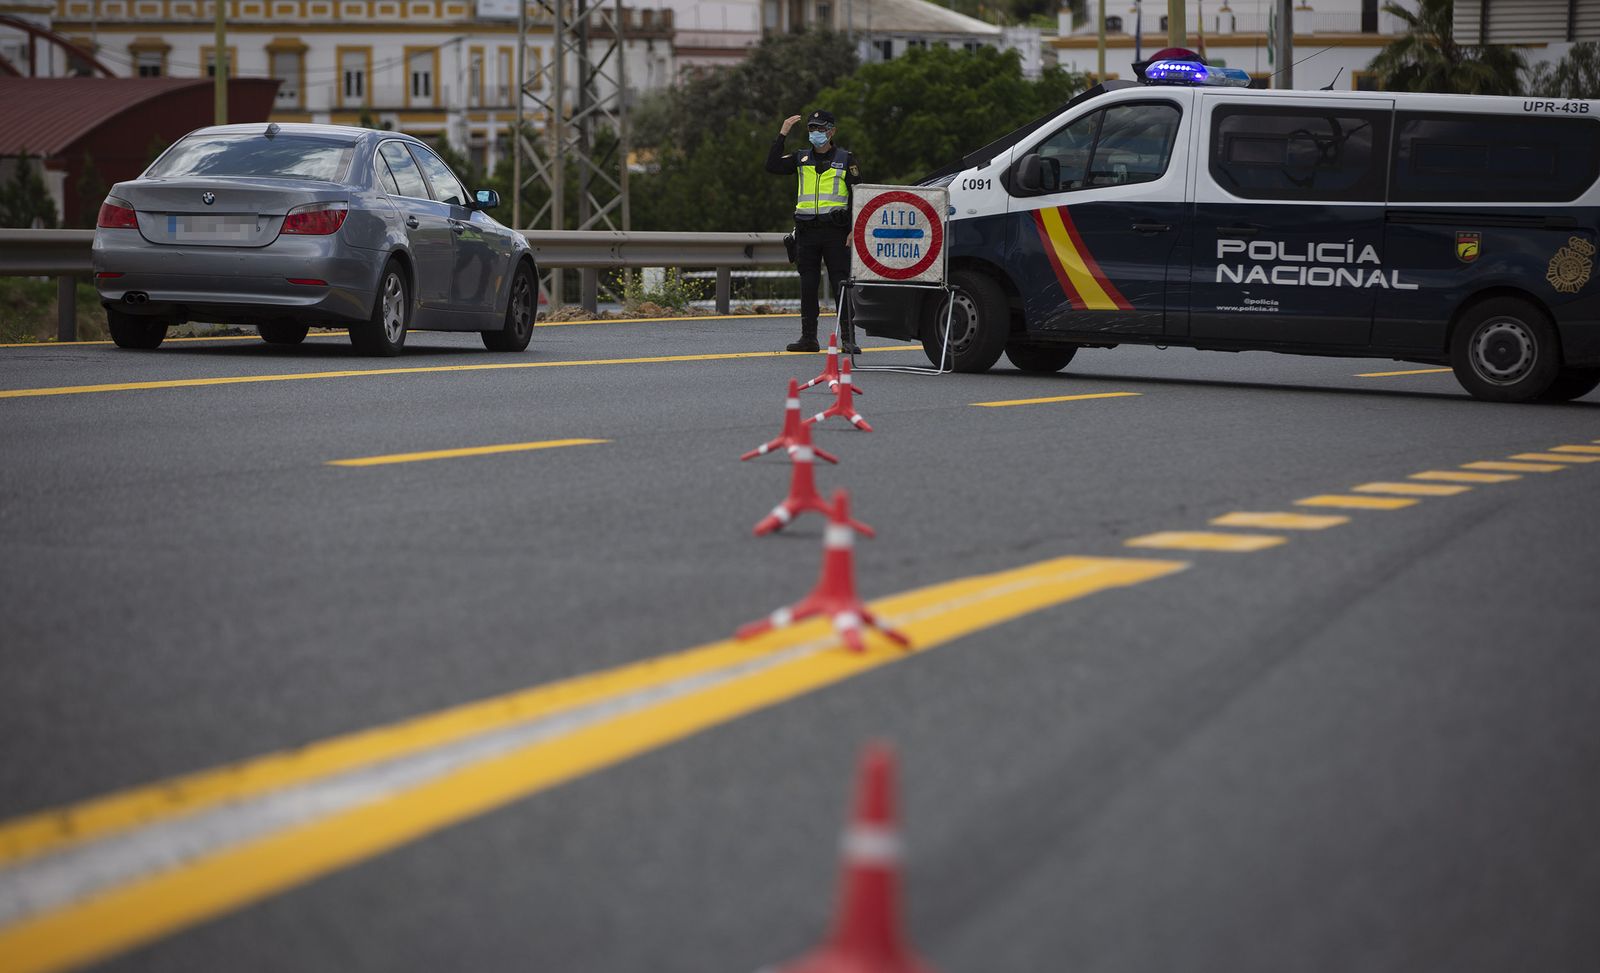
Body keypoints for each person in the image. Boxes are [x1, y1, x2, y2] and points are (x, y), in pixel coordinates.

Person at [766, 109, 861, 353]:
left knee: (841, 284)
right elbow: (772, 165)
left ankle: (848, 339)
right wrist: (783, 133)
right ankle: (808, 338)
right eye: (811, 128)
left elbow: (858, 195)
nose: (815, 133)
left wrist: (853, 228)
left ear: (832, 131)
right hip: (807, 232)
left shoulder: (845, 159)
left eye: (820, 128)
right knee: (808, 285)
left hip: (836, 233)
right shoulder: (801, 158)